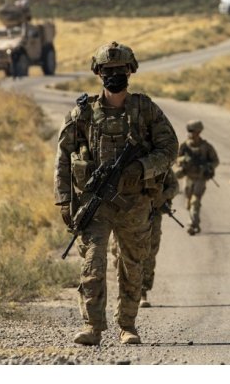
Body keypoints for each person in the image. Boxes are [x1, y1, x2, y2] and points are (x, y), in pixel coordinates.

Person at [54, 41, 178, 346]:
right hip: (96, 204)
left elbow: (169, 148)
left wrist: (142, 168)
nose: (114, 75)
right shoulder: (82, 113)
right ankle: (92, 326)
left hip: (135, 202)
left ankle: (127, 326)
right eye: (108, 70)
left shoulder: (145, 110)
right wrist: (65, 200)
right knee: (92, 264)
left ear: (130, 71)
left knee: (132, 266)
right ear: (98, 73)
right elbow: (63, 158)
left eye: (120, 69)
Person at [109, 171, 179, 308]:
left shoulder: (158, 166)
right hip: (125, 213)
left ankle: (142, 292)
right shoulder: (124, 164)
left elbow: (174, 186)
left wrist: (163, 196)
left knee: (148, 252)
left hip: (152, 215)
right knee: (118, 252)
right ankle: (125, 288)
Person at [176, 120, 219, 235]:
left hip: (200, 178)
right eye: (189, 131)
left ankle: (192, 224)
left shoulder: (206, 147)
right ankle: (194, 220)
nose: (190, 133)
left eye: (192, 131)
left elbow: (215, 161)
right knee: (188, 203)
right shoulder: (185, 146)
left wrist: (207, 166)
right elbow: (176, 159)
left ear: (199, 132)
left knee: (195, 201)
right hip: (188, 177)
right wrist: (184, 160)